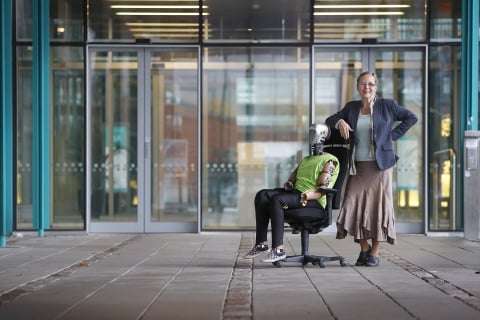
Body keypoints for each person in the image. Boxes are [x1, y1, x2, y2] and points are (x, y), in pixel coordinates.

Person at [325, 71, 418, 267]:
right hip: (357, 167)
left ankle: (374, 253)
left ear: (376, 86)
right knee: (351, 205)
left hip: (380, 167)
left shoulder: (387, 105)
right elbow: (329, 121)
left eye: (371, 84)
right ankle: (364, 248)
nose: (366, 87)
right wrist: (340, 121)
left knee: (378, 210)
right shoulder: (351, 108)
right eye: (362, 84)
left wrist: (390, 137)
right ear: (358, 86)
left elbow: (411, 118)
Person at [244, 124, 340, 263]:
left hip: (313, 203)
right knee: (262, 195)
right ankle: (261, 244)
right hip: (295, 195)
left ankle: (278, 249)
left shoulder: (330, 161)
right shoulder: (306, 160)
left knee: (277, 200)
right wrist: (289, 185)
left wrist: (308, 195)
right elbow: (292, 180)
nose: (312, 139)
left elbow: (323, 188)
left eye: (315, 135)